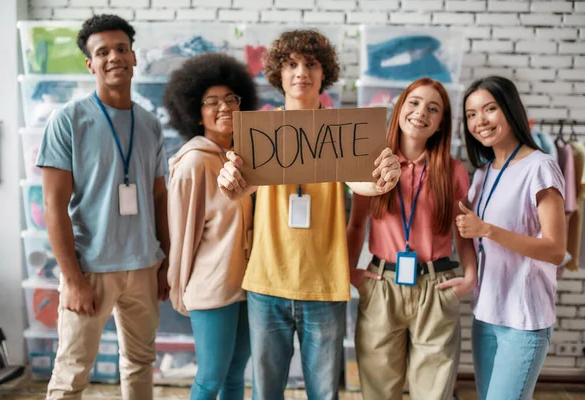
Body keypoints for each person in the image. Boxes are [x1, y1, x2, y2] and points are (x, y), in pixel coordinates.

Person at [217, 29, 401, 400]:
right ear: (278, 74)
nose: (301, 72)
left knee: (324, 394)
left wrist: (381, 180)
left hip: (325, 284)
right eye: (291, 64)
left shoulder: (343, 129)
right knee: (265, 393)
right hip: (267, 281)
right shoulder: (258, 129)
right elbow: (243, 187)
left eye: (311, 64)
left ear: (324, 74)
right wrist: (229, 183)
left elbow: (362, 184)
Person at [37, 14, 170, 400]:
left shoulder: (150, 124)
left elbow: (159, 197)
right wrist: (73, 281)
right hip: (90, 268)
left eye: (121, 48)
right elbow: (53, 205)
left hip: (144, 265)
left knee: (141, 362)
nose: (114, 57)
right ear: (90, 63)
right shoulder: (68, 121)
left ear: (133, 57)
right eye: (103, 52)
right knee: (72, 371)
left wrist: (166, 260)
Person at [346, 78, 477, 400]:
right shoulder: (372, 165)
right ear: (400, 108)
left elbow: (463, 230)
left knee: (433, 392)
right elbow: (356, 225)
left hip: (437, 287)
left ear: (440, 125)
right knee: (378, 390)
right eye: (414, 102)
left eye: (433, 109)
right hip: (381, 286)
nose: (421, 113)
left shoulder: (453, 170)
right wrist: (351, 274)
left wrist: (470, 276)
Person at [459, 76, 566, 400]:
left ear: (510, 110)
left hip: (524, 318)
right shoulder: (482, 173)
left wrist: (487, 230)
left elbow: (556, 250)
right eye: (472, 114)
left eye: (490, 109)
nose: (480, 121)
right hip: (486, 315)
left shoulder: (541, 167)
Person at [163, 53, 258, 400]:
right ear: (195, 112)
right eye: (211, 102)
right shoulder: (193, 163)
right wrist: (179, 289)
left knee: (236, 374)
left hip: (249, 287)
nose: (224, 108)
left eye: (231, 100)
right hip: (213, 290)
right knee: (210, 377)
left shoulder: (248, 157)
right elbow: (182, 236)